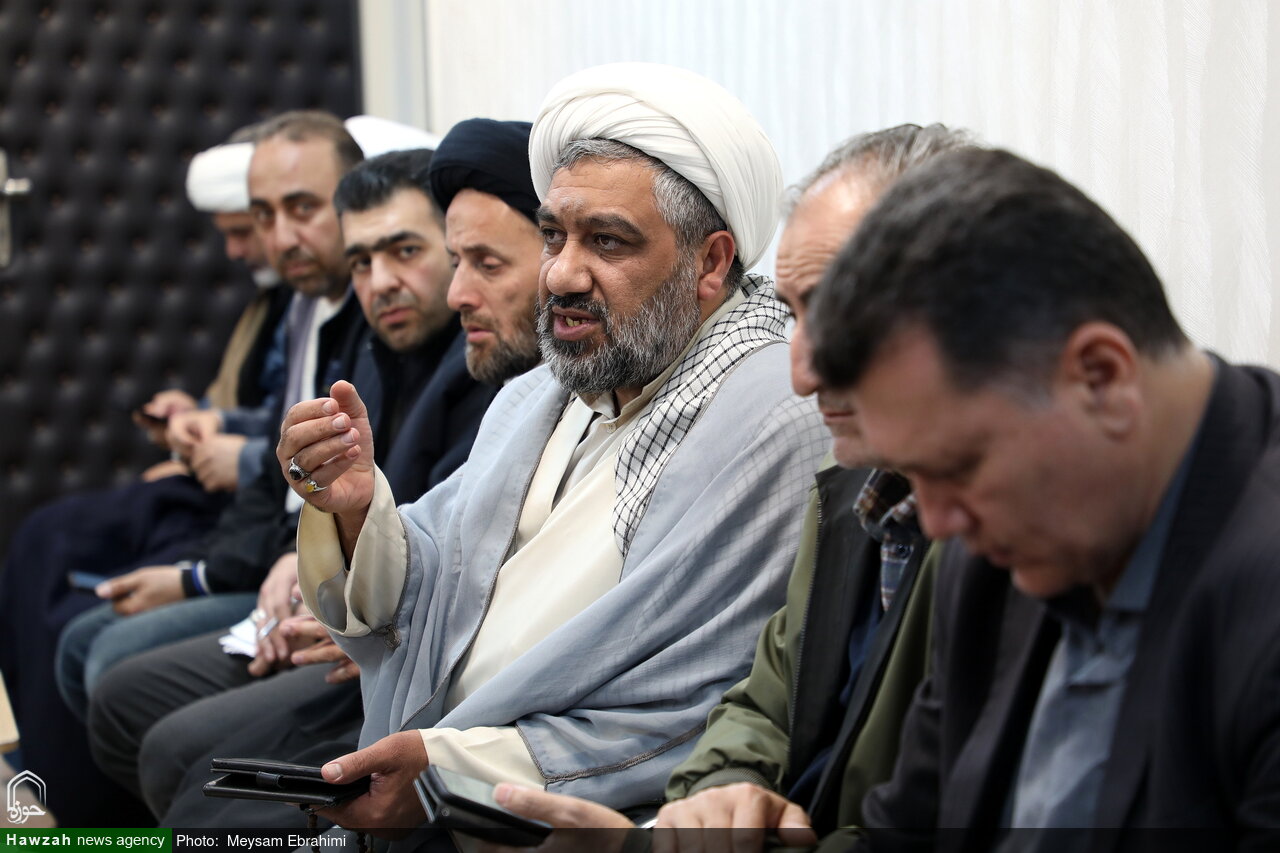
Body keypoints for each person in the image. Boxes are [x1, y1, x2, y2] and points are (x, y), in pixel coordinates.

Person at [278, 63, 827, 833]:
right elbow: (437, 576)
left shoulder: (775, 412)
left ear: (709, 262)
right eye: (553, 236)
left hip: (546, 818)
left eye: (607, 241)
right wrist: (356, 507)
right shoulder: (541, 393)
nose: (562, 274)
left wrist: (451, 772)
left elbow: (705, 692)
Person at [484, 126, 975, 846]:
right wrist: (722, 795)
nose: (802, 372)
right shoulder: (855, 493)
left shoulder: (1011, 535)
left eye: (609, 241)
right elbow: (761, 705)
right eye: (553, 238)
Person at [803, 146, 1280, 848]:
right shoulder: (996, 552)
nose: (936, 520)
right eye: (916, 474)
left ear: (1101, 377)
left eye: (960, 465)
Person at [95, 116, 548, 830]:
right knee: (136, 704)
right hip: (357, 627)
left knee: (192, 773)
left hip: (416, 667)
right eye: (362, 260)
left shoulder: (508, 370)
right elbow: (340, 503)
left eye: (409, 251)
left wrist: (348, 611)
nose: (383, 282)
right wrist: (313, 561)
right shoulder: (383, 348)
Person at [0, 126, 291, 827]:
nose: (259, 242)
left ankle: (86, 813)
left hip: (251, 520)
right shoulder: (285, 302)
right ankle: (40, 773)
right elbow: (273, 413)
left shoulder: (353, 311)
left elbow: (313, 446)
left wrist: (233, 457)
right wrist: (200, 422)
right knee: (45, 538)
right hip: (244, 506)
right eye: (262, 217)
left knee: (87, 624)